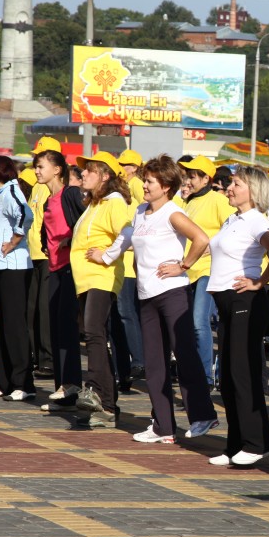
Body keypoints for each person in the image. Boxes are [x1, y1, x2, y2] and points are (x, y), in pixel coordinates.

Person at [107, 155, 217, 441]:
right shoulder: (140, 211)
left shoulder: (173, 212)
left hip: (172, 293)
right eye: (144, 180)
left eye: (150, 181)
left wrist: (183, 265)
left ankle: (204, 416)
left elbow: (202, 239)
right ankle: (163, 427)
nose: (144, 185)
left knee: (185, 354)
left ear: (166, 186)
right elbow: (135, 247)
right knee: (155, 363)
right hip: (146, 295)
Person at [206, 166, 269, 465]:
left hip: (246, 302)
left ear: (253, 191)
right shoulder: (233, 219)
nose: (229, 188)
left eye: (236, 184)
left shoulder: (256, 221)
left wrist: (261, 281)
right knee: (228, 377)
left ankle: (254, 444)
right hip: (227, 303)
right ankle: (239, 443)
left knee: (242, 374)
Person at [73, 152, 134, 427]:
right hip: (85, 278)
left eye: (90, 170)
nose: (83, 174)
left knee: (95, 332)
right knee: (93, 334)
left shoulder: (114, 201)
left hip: (102, 276)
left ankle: (96, 391)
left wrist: (107, 256)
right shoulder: (95, 203)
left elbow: (128, 233)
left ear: (105, 176)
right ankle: (107, 405)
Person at [175, 155, 235, 388]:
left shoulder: (217, 200)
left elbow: (233, 227)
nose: (187, 180)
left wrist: (213, 244)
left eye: (192, 176)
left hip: (208, 271)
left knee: (199, 322)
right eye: (187, 175)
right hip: (185, 271)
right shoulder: (186, 202)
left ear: (206, 179)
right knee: (188, 326)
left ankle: (205, 379)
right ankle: (194, 376)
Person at [33, 149, 85, 411]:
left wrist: (71, 238)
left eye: (41, 166)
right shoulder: (48, 200)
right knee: (55, 329)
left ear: (57, 169)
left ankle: (71, 384)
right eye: (36, 167)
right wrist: (47, 244)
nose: (37, 171)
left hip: (69, 269)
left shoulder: (71, 193)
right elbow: (48, 231)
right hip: (53, 268)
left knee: (66, 330)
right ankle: (63, 391)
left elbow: (87, 222)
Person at [0, 156, 35, 400]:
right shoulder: (0, 195)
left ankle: (23, 384)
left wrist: (14, 241)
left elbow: (26, 215)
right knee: (1, 325)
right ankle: (5, 382)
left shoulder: (12, 190)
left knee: (14, 327)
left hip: (13, 267)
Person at [113, 148, 147, 389]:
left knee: (127, 313)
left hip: (129, 265)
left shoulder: (135, 187)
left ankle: (139, 360)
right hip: (120, 265)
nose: (123, 169)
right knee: (121, 316)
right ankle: (126, 367)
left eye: (126, 165)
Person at [24, 159, 53, 379]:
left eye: (41, 166)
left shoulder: (53, 190)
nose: (36, 170)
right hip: (32, 254)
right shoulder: (36, 187)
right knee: (32, 308)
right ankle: (36, 356)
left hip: (46, 256)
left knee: (45, 309)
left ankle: (48, 360)